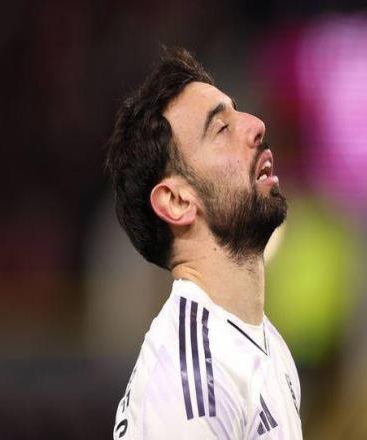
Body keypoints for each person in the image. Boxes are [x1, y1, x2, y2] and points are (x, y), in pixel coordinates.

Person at [105, 47, 302, 439]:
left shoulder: (264, 344)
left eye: (237, 112)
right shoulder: (190, 382)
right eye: (221, 129)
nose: (256, 125)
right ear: (177, 201)